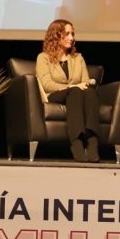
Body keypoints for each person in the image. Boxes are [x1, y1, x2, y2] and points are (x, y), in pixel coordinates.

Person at [35, 19, 101, 162]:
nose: (71, 37)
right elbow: (47, 85)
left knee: (90, 92)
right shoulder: (43, 58)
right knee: (75, 91)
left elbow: (85, 82)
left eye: (72, 34)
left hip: (76, 95)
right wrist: (72, 87)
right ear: (56, 35)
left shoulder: (78, 58)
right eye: (67, 34)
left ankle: (92, 142)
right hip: (55, 95)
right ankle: (77, 144)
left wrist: (84, 85)